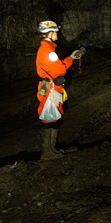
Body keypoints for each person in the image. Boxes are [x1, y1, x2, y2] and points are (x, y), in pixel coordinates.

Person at [36, 20, 84, 160]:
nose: (57, 33)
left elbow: (57, 67)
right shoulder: (47, 51)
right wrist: (70, 59)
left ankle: (51, 150)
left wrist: (70, 57)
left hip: (52, 87)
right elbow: (60, 70)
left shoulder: (48, 50)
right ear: (50, 33)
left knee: (53, 117)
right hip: (50, 88)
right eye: (56, 31)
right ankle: (47, 152)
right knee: (49, 119)